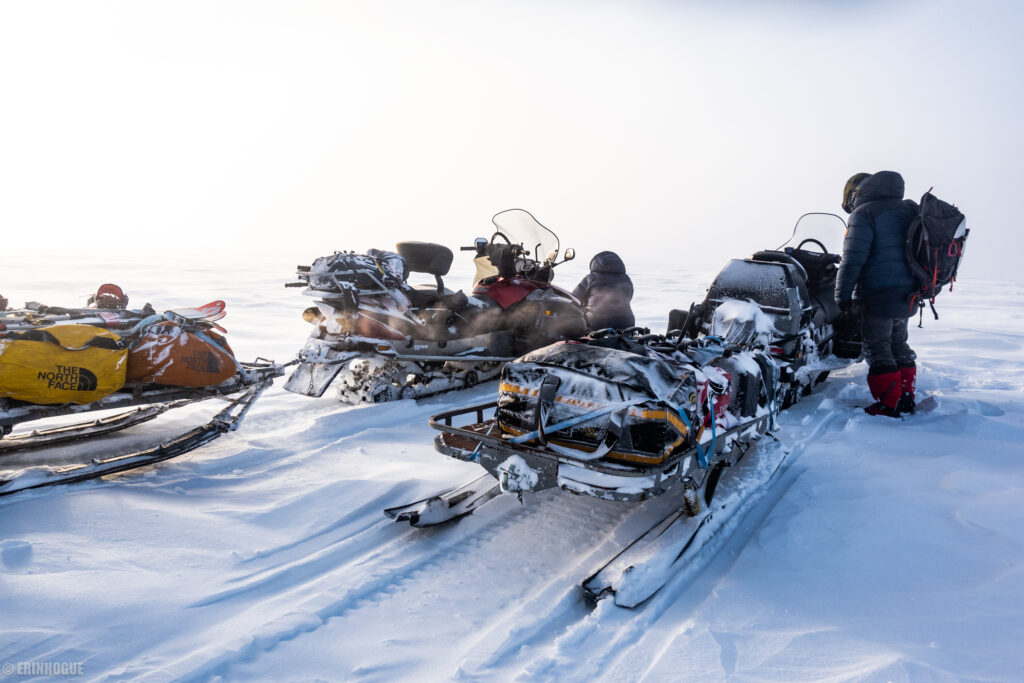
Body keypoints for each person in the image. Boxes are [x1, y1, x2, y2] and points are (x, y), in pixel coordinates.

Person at [835, 170, 918, 417]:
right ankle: (905, 398)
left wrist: (842, 296)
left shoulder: (864, 214)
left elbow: (852, 261)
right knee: (898, 344)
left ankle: (888, 405)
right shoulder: (908, 209)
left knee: (877, 347)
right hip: (908, 293)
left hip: (877, 295)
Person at [572, 251, 635, 331]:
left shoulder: (591, 278)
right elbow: (629, 296)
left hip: (597, 323)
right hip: (627, 323)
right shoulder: (626, 279)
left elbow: (574, 298)